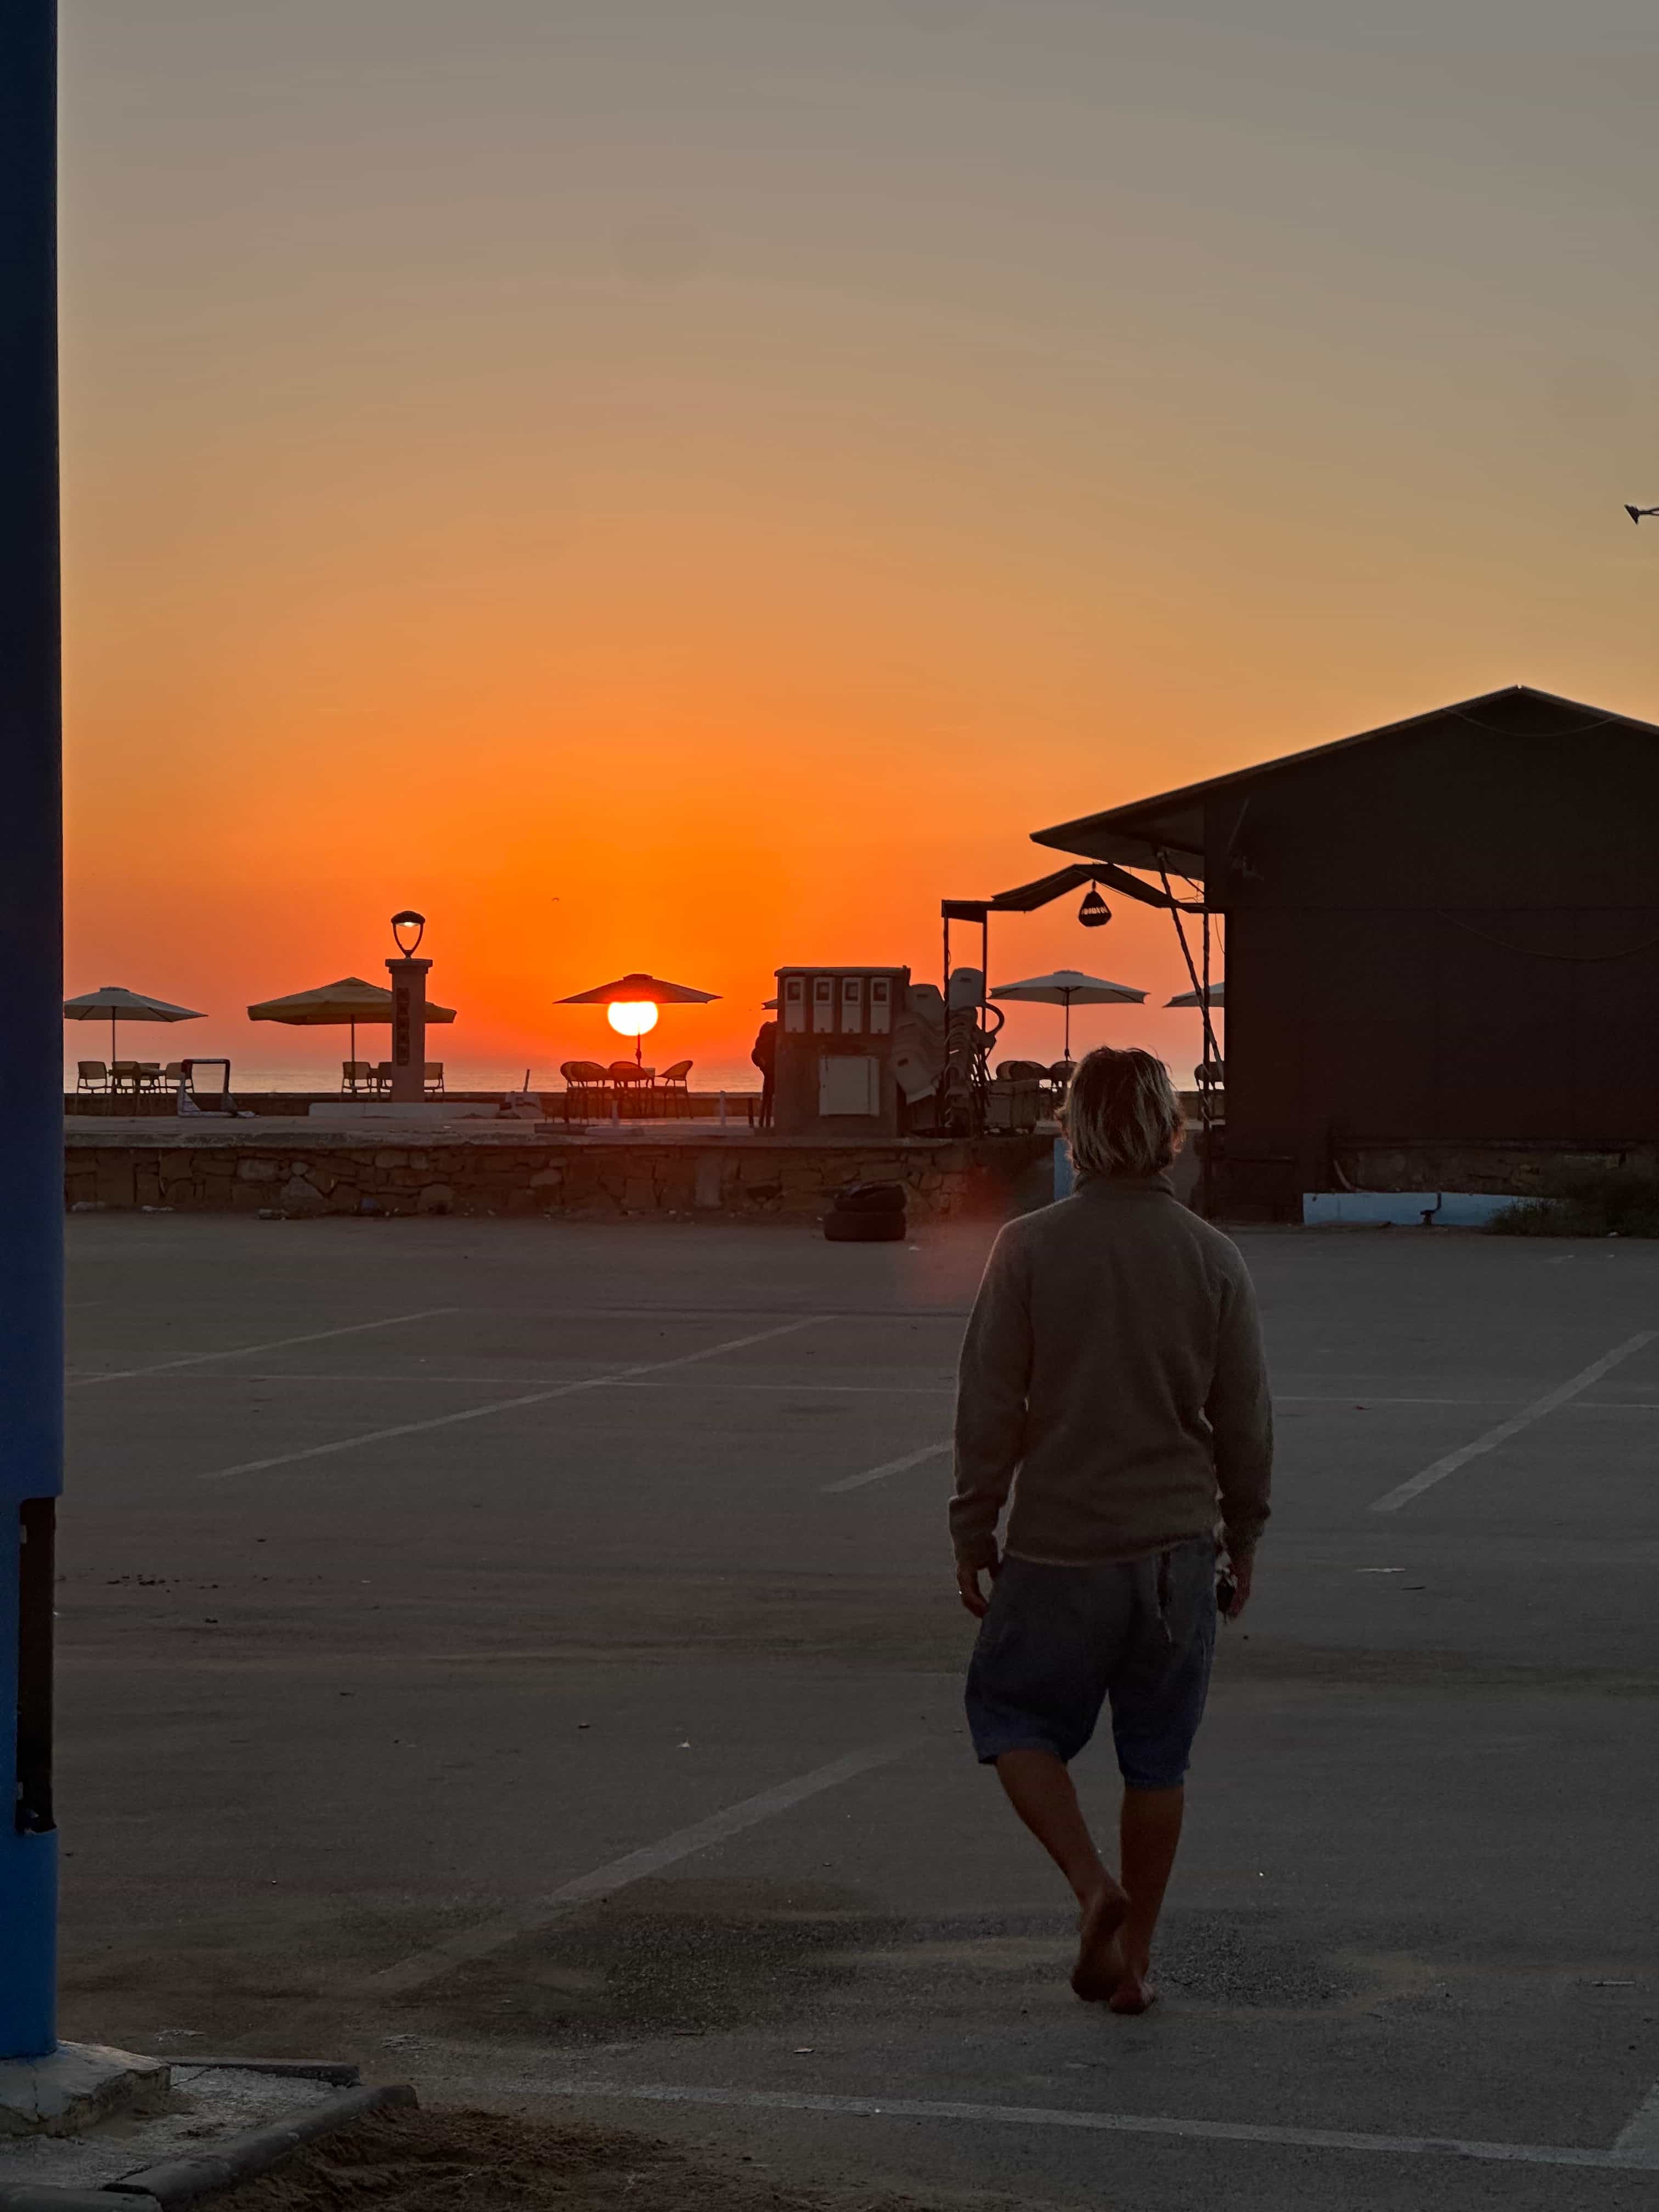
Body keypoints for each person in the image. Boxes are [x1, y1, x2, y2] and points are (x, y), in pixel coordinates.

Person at [951, 1045, 1271, 2015]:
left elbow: (990, 1404)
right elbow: (1244, 1418)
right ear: (1170, 1130)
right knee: (1156, 1759)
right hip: (1175, 1549)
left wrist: (973, 1526)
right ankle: (1135, 1965)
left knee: (1011, 1717)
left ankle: (1092, 1884)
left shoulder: (1029, 1248)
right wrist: (1244, 1534)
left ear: (1074, 1132)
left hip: (1060, 1546)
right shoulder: (1212, 1256)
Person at [751, 1016, 777, 1128]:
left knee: (767, 1099)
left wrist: (763, 1067)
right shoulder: (771, 1039)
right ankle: (764, 1123)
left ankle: (764, 1123)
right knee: (768, 1099)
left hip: (769, 1072)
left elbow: (755, 1055)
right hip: (771, 1072)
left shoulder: (762, 1041)